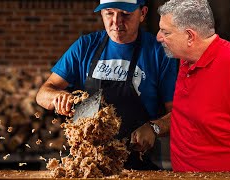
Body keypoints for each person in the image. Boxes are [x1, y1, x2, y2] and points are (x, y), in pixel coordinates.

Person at [36, 0, 178, 170]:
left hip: (140, 164)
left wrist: (154, 128)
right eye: (109, 13)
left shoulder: (160, 53)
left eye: (125, 14)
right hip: (88, 163)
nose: (116, 22)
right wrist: (57, 96)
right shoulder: (85, 46)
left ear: (143, 13)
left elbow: (178, 113)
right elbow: (43, 93)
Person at [157, 0, 230, 172]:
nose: (158, 37)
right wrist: (154, 127)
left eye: (165, 32)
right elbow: (185, 114)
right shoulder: (184, 57)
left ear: (190, 36)